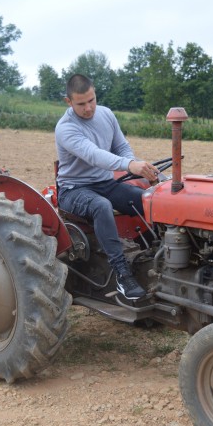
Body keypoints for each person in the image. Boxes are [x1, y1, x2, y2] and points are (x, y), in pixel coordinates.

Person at [55, 74, 159, 306]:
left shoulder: (106, 114)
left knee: (149, 200)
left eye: (91, 100)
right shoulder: (66, 128)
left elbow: (120, 145)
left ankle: (160, 258)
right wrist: (129, 165)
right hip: (74, 190)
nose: (88, 108)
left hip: (105, 184)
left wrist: (132, 164)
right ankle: (123, 275)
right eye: (81, 103)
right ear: (68, 102)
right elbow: (94, 155)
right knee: (101, 206)